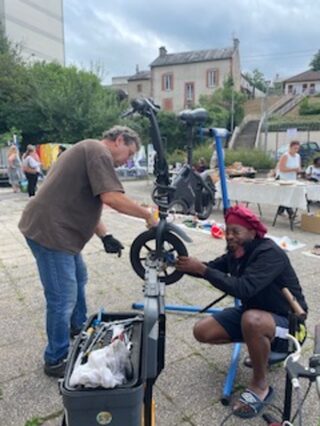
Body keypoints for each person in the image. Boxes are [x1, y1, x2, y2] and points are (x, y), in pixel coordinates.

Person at [18, 126, 157, 378]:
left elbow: (85, 202)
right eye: (130, 152)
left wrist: (105, 236)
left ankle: (78, 328)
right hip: (51, 232)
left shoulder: (88, 150)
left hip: (60, 231)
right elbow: (111, 198)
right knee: (62, 297)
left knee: (79, 278)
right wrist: (148, 215)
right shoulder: (97, 151)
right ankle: (56, 358)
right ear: (118, 140)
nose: (130, 159)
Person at [176, 205, 308, 419]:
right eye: (228, 230)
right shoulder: (236, 253)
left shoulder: (269, 253)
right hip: (254, 314)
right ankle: (260, 351)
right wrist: (180, 264)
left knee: (252, 321)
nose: (229, 236)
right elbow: (210, 268)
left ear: (252, 232)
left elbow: (243, 288)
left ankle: (260, 385)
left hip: (289, 325)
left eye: (236, 231)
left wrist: (202, 269)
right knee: (202, 331)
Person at [277, 140, 301, 216]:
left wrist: (299, 171)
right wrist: (293, 169)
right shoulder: (285, 156)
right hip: (284, 179)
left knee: (289, 195)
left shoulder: (298, 156)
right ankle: (290, 212)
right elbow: (281, 169)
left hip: (293, 178)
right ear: (290, 147)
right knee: (287, 196)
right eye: (294, 148)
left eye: (297, 148)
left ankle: (280, 210)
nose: (296, 150)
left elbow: (298, 167)